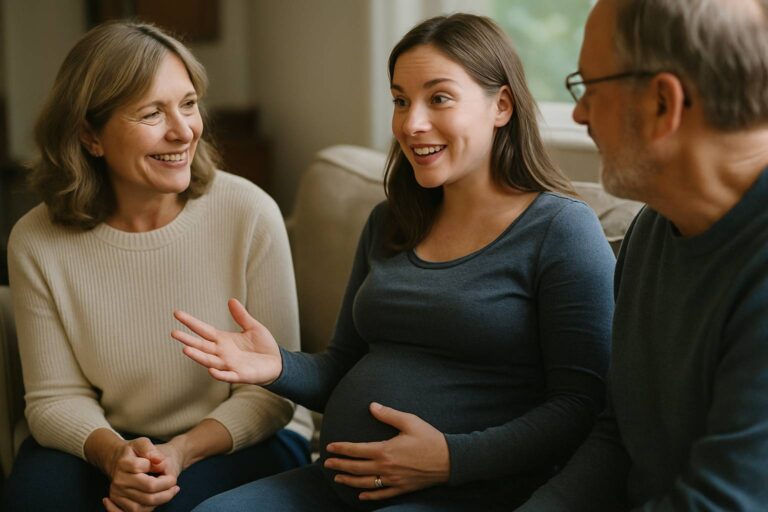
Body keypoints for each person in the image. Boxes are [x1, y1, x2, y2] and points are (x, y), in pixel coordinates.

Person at [178, 13, 616, 512]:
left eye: (440, 98)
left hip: (465, 491)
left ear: (502, 105)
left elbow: (581, 408)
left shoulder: (561, 230)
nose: (412, 124)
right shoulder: (391, 221)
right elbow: (340, 368)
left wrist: (451, 458)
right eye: (401, 100)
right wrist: (277, 365)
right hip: (337, 483)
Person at [2, 21, 313, 512]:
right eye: (151, 113)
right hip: (109, 437)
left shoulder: (249, 213)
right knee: (34, 501)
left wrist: (180, 452)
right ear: (90, 135)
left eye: (188, 104)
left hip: (244, 435)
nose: (183, 129)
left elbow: (274, 394)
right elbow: (53, 399)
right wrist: (116, 456)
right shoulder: (36, 240)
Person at [517, 0, 768, 510]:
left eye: (590, 86)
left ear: (662, 103)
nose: (580, 112)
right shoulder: (651, 231)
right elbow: (619, 436)